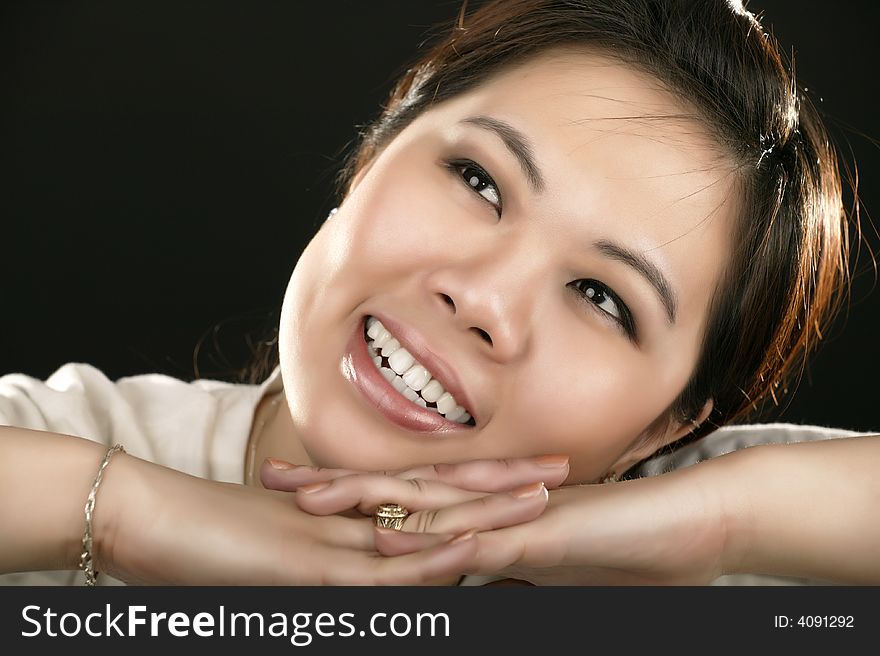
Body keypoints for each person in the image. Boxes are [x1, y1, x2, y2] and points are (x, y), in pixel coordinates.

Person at [1, 0, 877, 586]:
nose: (483, 301)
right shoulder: (81, 451)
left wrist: (730, 524)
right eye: (477, 179)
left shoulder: (741, 549)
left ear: (668, 424)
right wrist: (123, 514)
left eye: (602, 296)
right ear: (373, 155)